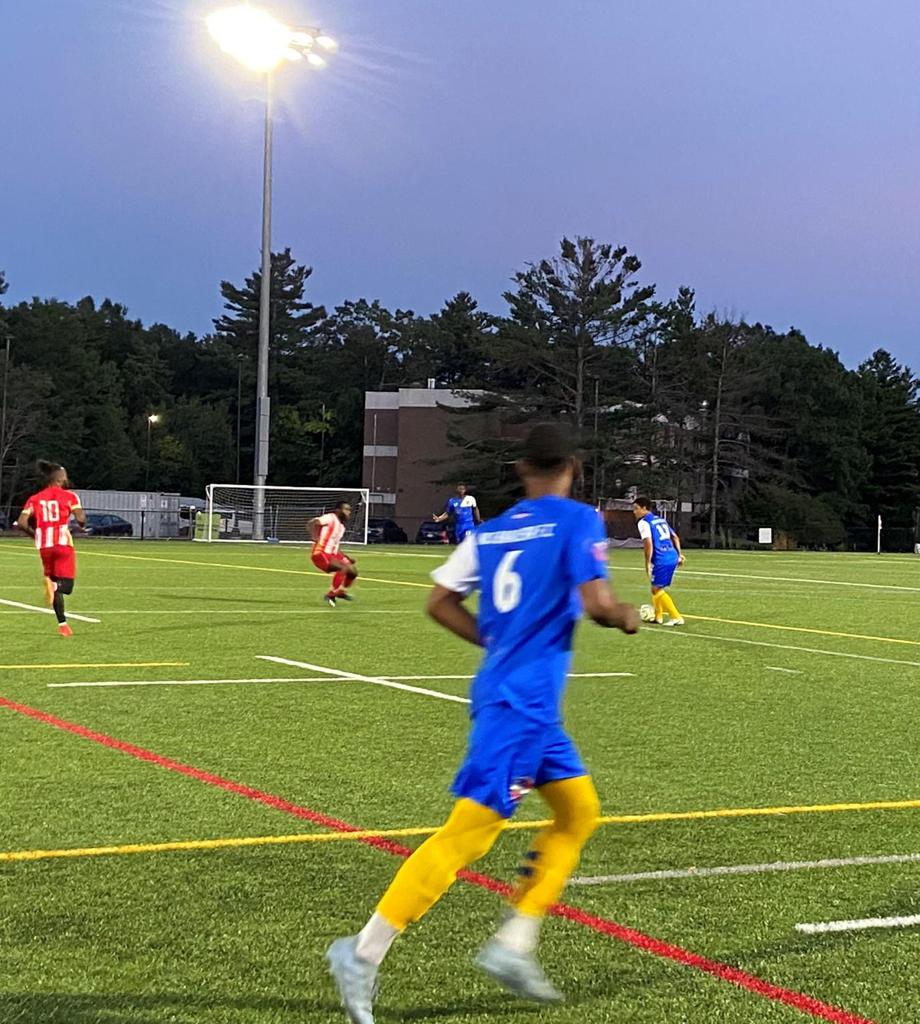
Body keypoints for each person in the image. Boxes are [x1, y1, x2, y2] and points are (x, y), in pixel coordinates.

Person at [327, 424, 639, 1022]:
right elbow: (599, 606)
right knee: (468, 834)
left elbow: (439, 601)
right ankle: (361, 951)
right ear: (573, 466)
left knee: (578, 812)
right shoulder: (578, 520)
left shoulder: (491, 532)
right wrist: (625, 614)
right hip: (520, 707)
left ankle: (514, 942)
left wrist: (495, 643)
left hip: (523, 704)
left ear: (521, 469)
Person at [17, 461, 86, 637]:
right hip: (62, 544)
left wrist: (35, 535)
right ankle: (54, 587)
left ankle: (63, 625)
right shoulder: (70, 496)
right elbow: (81, 519)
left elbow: (22, 523)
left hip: (44, 546)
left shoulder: (35, 498)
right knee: (66, 587)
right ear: (60, 479)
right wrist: (81, 525)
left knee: (54, 580)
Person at [632, 497, 685, 626]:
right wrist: (679, 555)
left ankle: (676, 617)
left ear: (644, 508)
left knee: (656, 589)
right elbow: (675, 537)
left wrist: (647, 563)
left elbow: (648, 543)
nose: (634, 512)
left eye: (636, 508)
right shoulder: (661, 520)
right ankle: (658, 617)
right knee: (655, 588)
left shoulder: (644, 523)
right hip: (671, 555)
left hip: (662, 558)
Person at [309, 501, 358, 608]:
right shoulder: (330, 518)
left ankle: (341, 591)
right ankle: (331, 594)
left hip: (332, 554)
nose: (349, 512)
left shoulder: (341, 527)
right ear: (338, 510)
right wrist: (315, 537)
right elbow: (313, 522)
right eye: (346, 509)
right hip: (320, 553)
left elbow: (335, 547)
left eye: (349, 510)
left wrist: (345, 557)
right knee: (343, 568)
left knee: (353, 572)